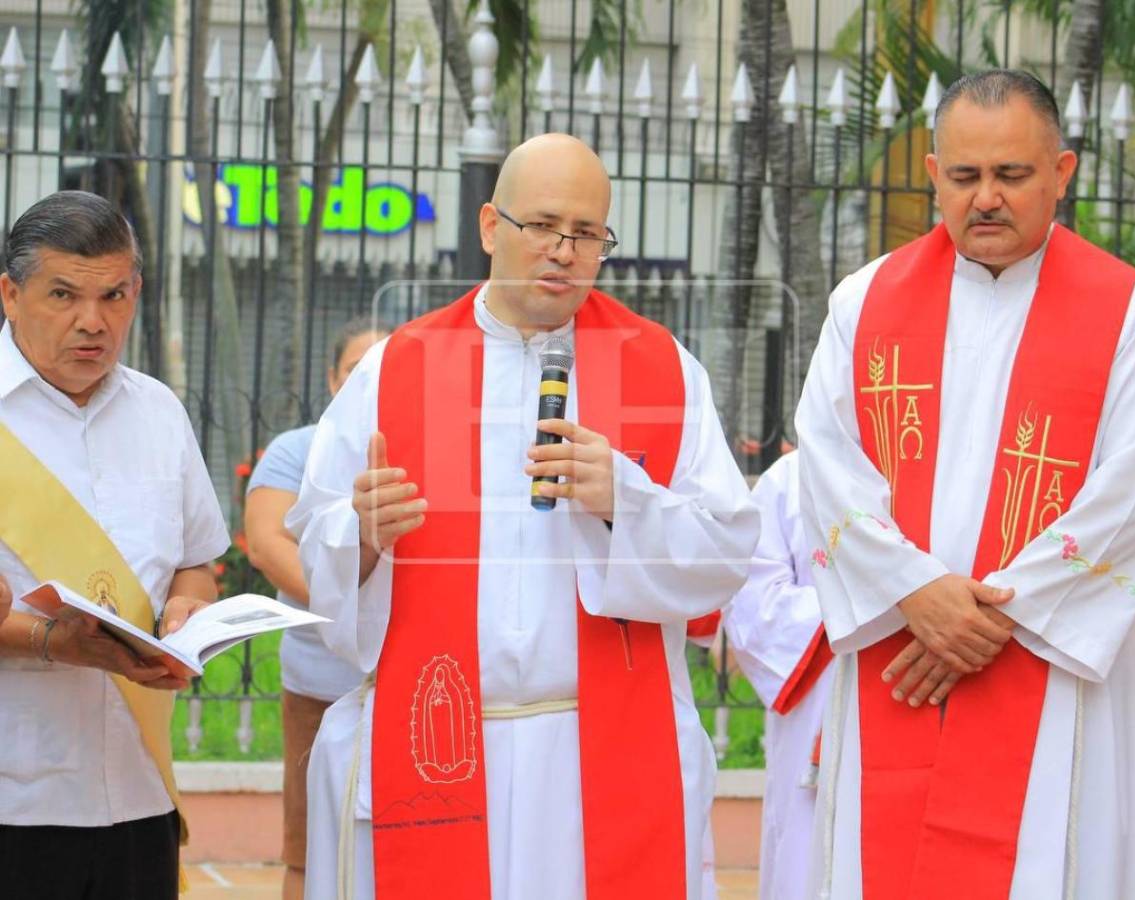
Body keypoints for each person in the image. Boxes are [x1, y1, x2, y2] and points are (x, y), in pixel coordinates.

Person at [288, 132, 759, 899]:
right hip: (436, 744)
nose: (563, 251)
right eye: (542, 225)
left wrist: (621, 499)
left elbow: (725, 555)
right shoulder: (400, 366)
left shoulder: (659, 366)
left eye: (585, 234)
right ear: (488, 227)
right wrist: (363, 533)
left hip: (598, 757)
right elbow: (320, 542)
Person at [796, 68, 1135, 900]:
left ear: (1062, 173)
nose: (987, 200)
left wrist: (980, 619)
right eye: (966, 176)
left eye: (1012, 175)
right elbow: (827, 465)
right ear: (934, 174)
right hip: (902, 651)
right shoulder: (864, 303)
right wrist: (916, 593)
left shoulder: (1129, 312)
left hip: (1060, 672)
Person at [0, 191, 230, 898]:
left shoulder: (158, 413)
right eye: (64, 295)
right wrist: (50, 642)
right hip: (15, 800)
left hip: (137, 795)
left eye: (115, 295)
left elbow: (197, 558)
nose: (93, 322)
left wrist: (188, 612)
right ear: (10, 294)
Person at [244, 316, 390, 900]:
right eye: (359, 372)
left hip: (414, 684)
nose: (371, 386)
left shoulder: (440, 448)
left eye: (386, 372)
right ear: (334, 380)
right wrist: (347, 600)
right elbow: (266, 542)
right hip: (320, 682)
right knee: (309, 851)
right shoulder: (296, 450)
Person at [720, 451, 833, 900]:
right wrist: (874, 611)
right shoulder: (792, 478)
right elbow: (751, 603)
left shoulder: (952, 483)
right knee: (806, 861)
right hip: (818, 705)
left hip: (931, 698)